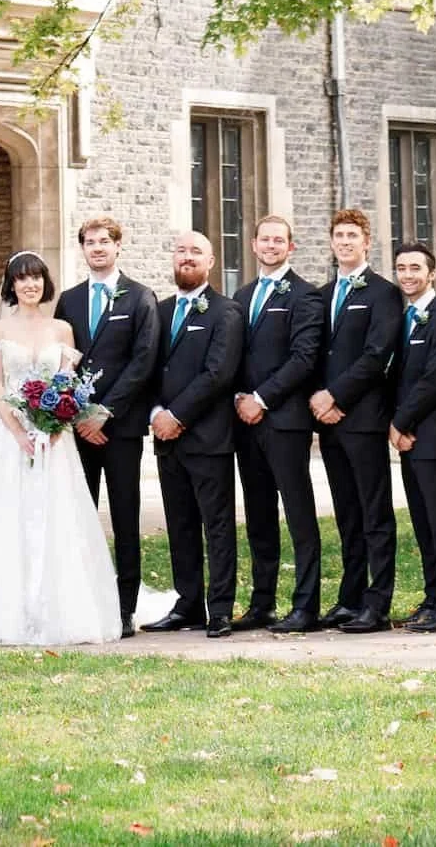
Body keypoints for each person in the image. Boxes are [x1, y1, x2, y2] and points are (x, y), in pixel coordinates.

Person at [0, 251, 122, 646]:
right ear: (11, 286)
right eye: (22, 279)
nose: (30, 285)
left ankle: (59, 612)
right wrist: (18, 432)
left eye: (36, 278)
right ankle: (2, 614)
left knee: (56, 518)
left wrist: (55, 426)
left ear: (44, 284)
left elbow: (67, 387)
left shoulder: (62, 330)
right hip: (6, 438)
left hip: (54, 439)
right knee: (4, 517)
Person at [54, 215, 160, 638]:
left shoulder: (139, 297)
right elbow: (62, 357)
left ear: (118, 247)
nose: (97, 248)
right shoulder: (69, 300)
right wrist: (79, 414)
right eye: (90, 242)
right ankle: (79, 600)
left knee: (124, 517)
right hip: (78, 429)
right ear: (82, 249)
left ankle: (125, 607)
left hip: (121, 428)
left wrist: (106, 411)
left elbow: (144, 360)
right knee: (77, 516)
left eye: (104, 241)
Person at [143, 230, 245, 639]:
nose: (187, 258)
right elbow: (147, 368)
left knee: (216, 525)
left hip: (207, 438)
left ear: (211, 261)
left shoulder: (226, 312)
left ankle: (219, 608)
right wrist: (155, 413)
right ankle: (187, 604)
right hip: (167, 440)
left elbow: (218, 373)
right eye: (181, 251)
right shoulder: (160, 311)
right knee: (180, 524)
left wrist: (178, 415)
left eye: (196, 252)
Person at [308, 205, 402, 631]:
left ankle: (377, 603)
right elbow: (314, 354)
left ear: (367, 242)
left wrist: (336, 395)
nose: (345, 242)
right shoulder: (323, 295)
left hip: (362, 417)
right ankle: (349, 597)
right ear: (331, 243)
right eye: (339, 236)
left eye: (352, 236)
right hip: (329, 422)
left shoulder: (383, 293)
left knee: (374, 512)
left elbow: (376, 355)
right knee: (346, 513)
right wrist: (319, 403)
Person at [231, 214, 325, 632]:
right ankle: (262, 603)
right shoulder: (243, 293)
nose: (270, 245)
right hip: (244, 422)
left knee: (299, 514)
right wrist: (239, 398)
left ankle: (305, 606)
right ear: (253, 245)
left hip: (284, 421)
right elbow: (234, 354)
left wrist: (263, 399)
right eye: (264, 239)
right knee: (259, 514)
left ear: (291, 247)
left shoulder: (305, 296)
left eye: (278, 240)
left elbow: (304, 357)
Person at [388, 239, 436, 631]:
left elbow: (434, 381)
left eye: (415, 268)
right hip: (410, 439)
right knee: (422, 522)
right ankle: (434, 595)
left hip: (434, 438)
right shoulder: (404, 318)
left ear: (431, 273)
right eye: (401, 268)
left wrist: (399, 423)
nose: (407, 275)